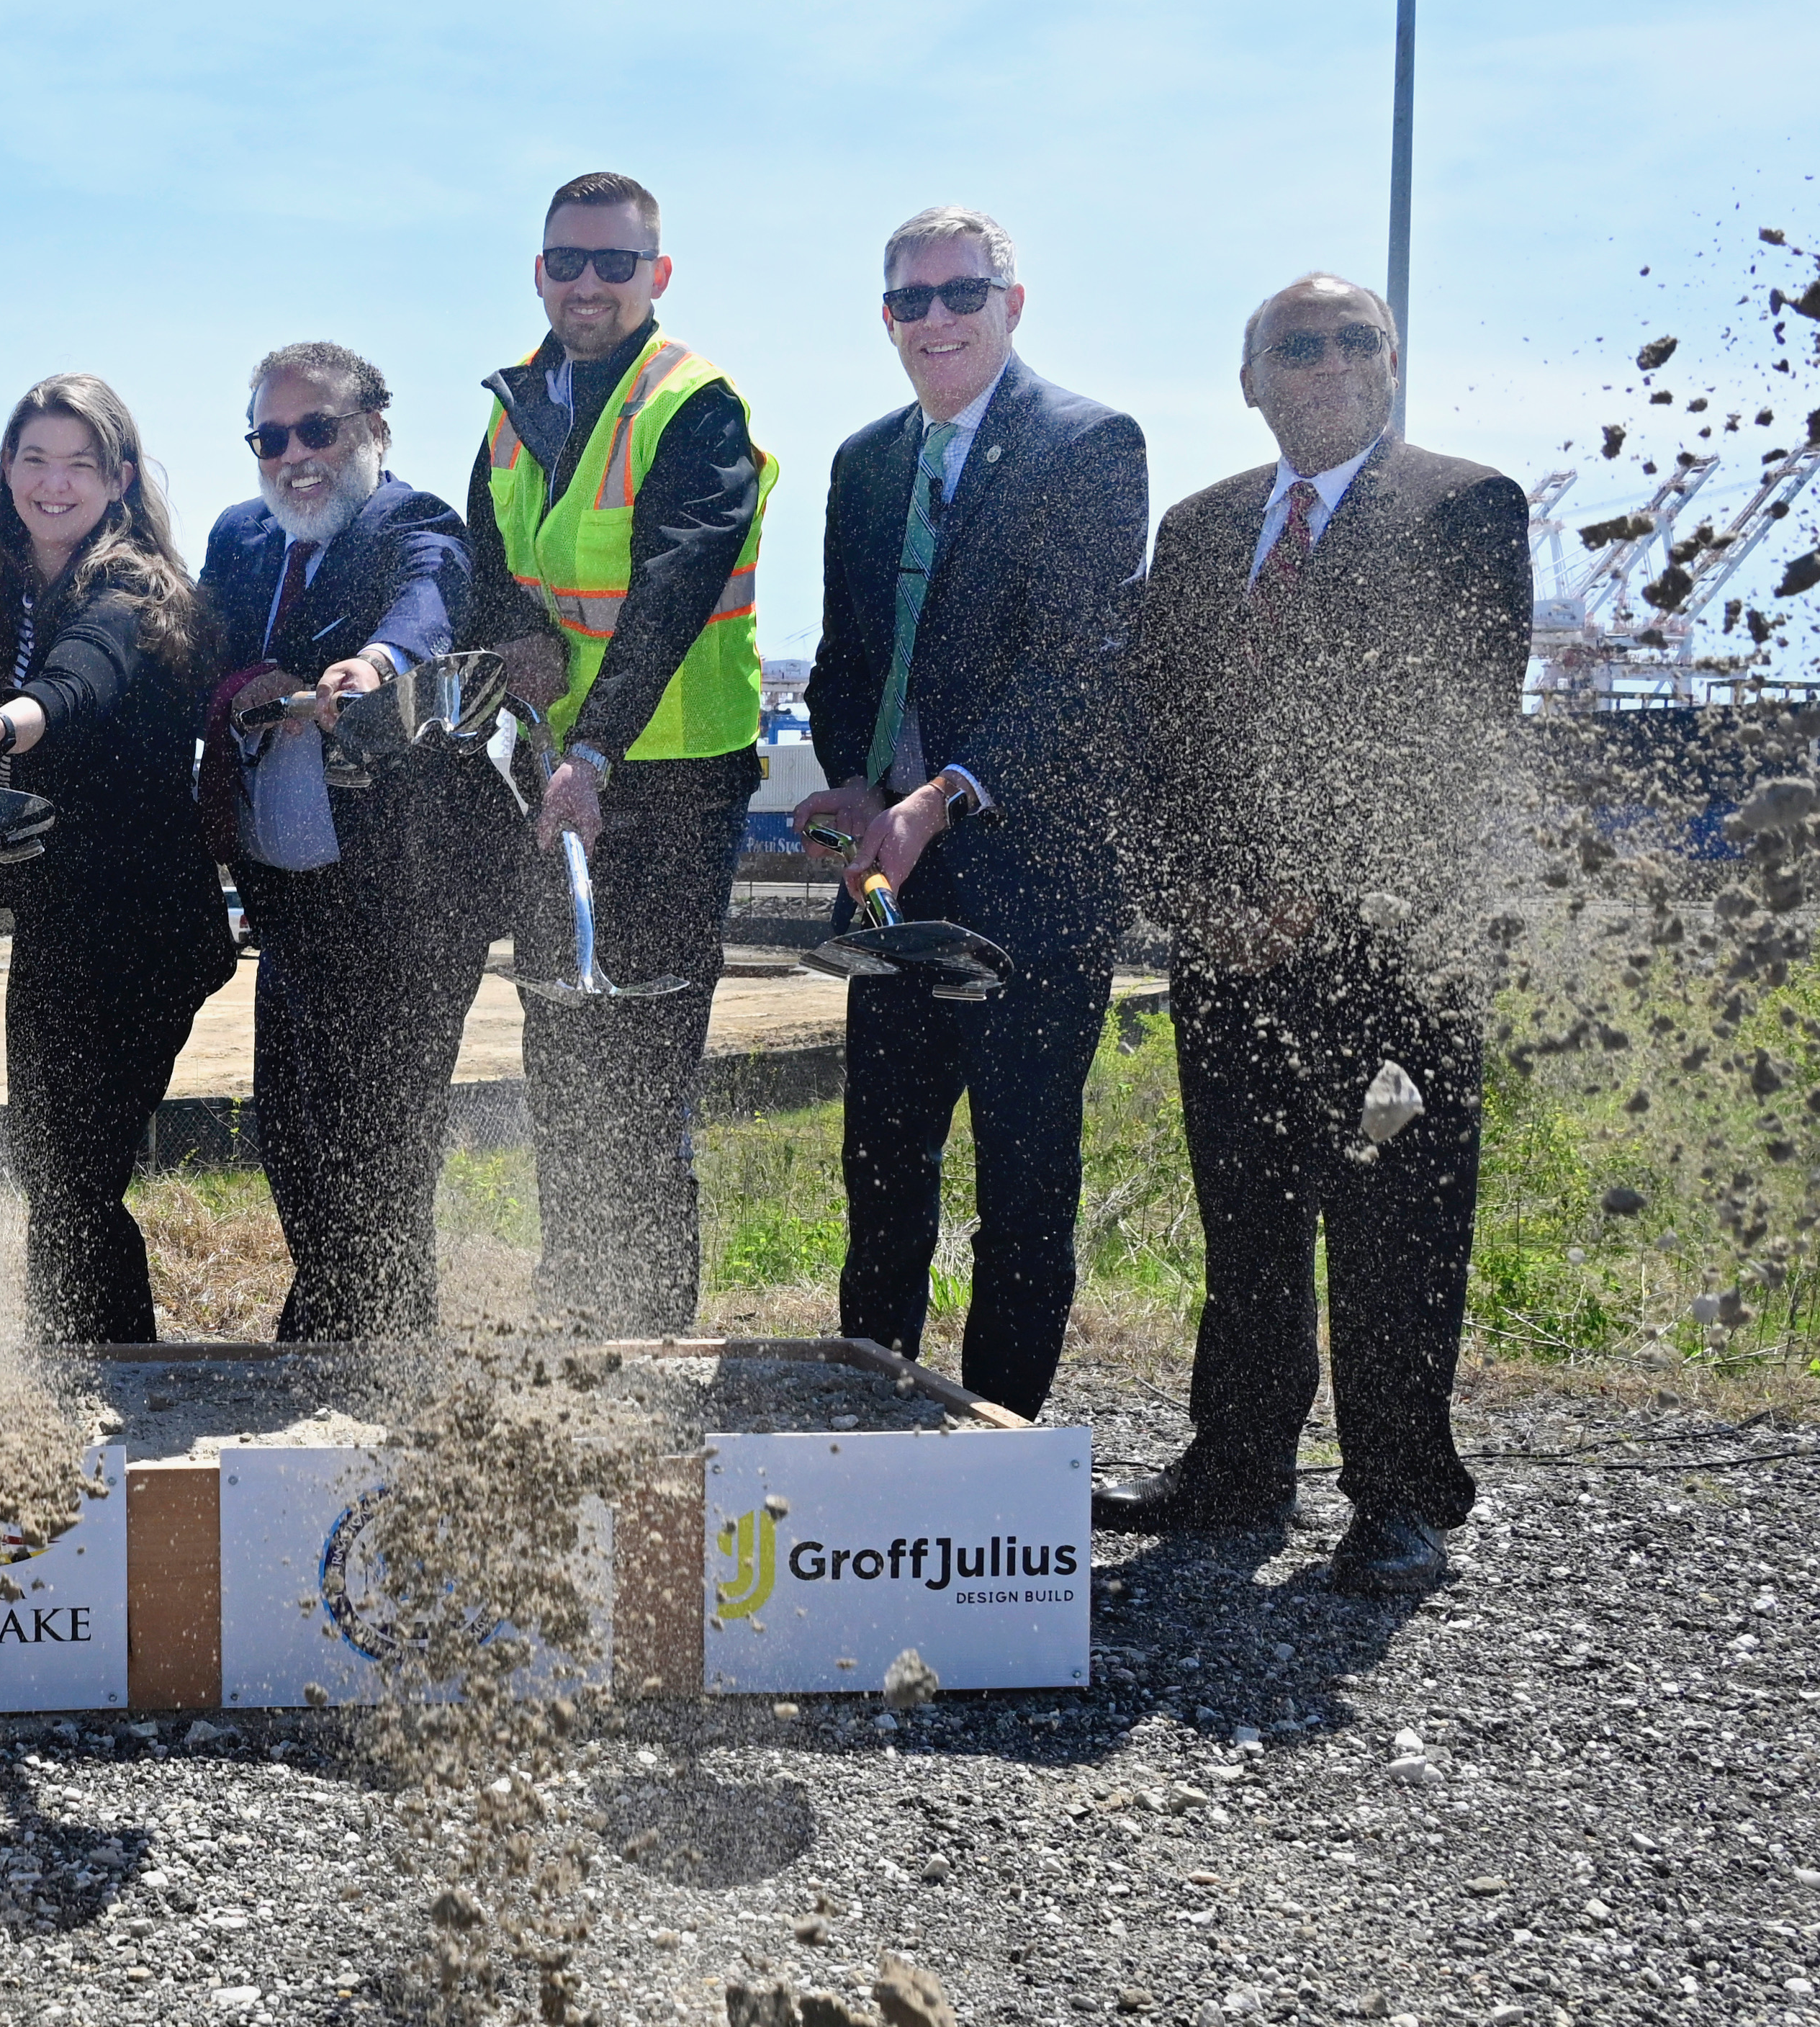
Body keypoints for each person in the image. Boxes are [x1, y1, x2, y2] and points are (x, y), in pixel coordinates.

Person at [1114, 274, 1530, 1594]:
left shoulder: (1465, 508)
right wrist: (1200, 900)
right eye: (1303, 345)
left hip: (1394, 954)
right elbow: (1150, 738)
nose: (1336, 361)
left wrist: (1316, 893)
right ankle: (1236, 1461)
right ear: (1251, 378)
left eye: (1363, 341)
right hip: (1227, 948)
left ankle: (1401, 1492)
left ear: (1394, 366)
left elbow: (1453, 730)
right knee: (1246, 1218)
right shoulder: (1197, 531)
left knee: (1397, 1219)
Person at [793, 209, 1150, 1419]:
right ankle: (872, 1417)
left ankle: (998, 1442)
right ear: (887, 315)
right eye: (912, 299)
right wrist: (852, 779)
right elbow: (849, 656)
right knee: (882, 1168)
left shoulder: (1089, 444)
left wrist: (941, 796)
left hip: (1029, 880)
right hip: (895, 881)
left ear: (1013, 301)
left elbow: (1079, 663)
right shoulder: (864, 462)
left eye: (963, 292)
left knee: (1023, 1178)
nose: (937, 318)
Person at [462, 171, 777, 1339]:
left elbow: (673, 589)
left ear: (658, 274)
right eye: (568, 262)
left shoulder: (692, 405)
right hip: (554, 772)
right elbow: (485, 556)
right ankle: (572, 1315)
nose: (589, 283)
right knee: (562, 1043)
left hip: (672, 781)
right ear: (540, 271)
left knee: (641, 1067)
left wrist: (595, 749)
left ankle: (643, 1337)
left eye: (614, 263)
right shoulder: (515, 405)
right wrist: (515, 634)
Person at [0, 376, 234, 1344]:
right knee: (50, 1170)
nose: (54, 483)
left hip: (144, 927)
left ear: (121, 479)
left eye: (80, 464)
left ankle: (102, 1374)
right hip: (59, 919)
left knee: (73, 1175)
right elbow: (0, 701)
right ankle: (82, 1361)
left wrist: (2, 720)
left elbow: (78, 683)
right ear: (7, 470)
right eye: (34, 460)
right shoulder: (14, 585)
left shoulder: (132, 588)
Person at [200, 341, 483, 1341]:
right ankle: (331, 1329)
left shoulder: (411, 519)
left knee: (385, 1149)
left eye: (317, 429)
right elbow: (198, 658)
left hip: (404, 903)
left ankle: (385, 1362)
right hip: (291, 900)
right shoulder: (239, 538)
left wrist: (375, 665)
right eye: (271, 438)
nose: (295, 455)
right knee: (294, 1137)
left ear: (374, 429)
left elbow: (428, 603)